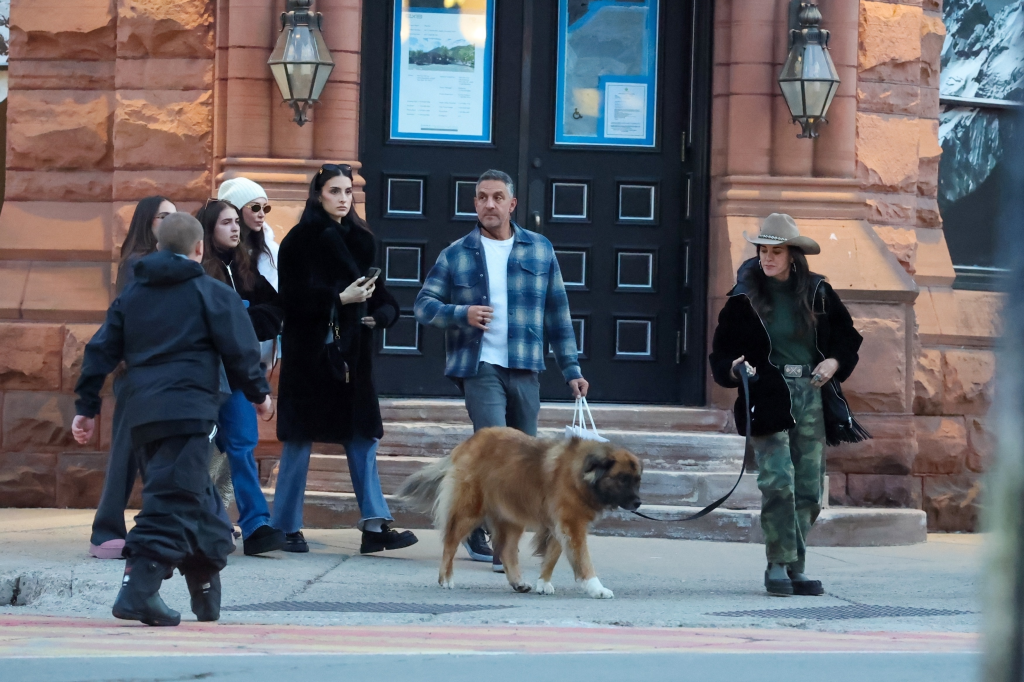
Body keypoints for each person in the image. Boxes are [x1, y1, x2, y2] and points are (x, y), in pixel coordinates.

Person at [71, 213, 273, 626]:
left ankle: (204, 588)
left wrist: (86, 406)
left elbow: (100, 351)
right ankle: (137, 593)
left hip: (143, 416)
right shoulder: (212, 293)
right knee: (172, 503)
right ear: (199, 249)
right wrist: (259, 393)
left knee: (198, 500)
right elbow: (240, 348)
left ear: (159, 247)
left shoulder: (132, 296)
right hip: (189, 413)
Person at [414, 169, 590, 572]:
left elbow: (558, 314)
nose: (488, 204)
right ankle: (499, 548)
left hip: (526, 365)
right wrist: (462, 313)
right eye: (481, 198)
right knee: (496, 449)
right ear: (474, 204)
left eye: (497, 198)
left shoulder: (540, 249)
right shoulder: (457, 253)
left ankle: (478, 525)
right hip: (479, 366)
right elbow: (424, 306)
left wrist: (571, 369)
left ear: (512, 204)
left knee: (524, 457)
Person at [708, 213, 863, 597]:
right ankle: (777, 563)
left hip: (811, 391)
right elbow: (721, 350)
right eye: (763, 251)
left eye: (775, 251)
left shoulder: (817, 291)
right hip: (767, 392)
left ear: (792, 254)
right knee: (778, 481)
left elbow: (848, 338)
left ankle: (797, 566)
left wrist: (834, 363)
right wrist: (732, 367)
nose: (767, 258)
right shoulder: (742, 297)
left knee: (809, 488)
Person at [273, 163, 418, 555]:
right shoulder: (299, 240)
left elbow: (382, 294)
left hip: (353, 358)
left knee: (363, 437)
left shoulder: (362, 239)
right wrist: (338, 299)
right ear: (318, 194)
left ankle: (374, 525)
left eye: (347, 191)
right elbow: (290, 301)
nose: (342, 198)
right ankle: (284, 527)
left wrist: (382, 313)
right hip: (311, 356)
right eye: (334, 191)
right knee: (299, 441)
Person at [196, 200, 287, 556]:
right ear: (209, 229)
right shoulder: (200, 270)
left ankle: (256, 525)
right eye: (226, 223)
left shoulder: (245, 265)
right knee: (197, 453)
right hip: (203, 378)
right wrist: (240, 319)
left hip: (236, 378)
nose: (236, 229)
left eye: (237, 222)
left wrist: (242, 319)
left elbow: (276, 309)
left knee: (243, 446)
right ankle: (207, 521)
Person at [89, 195, 177, 560]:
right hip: (138, 372)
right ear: (148, 222)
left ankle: (171, 526)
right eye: (164, 217)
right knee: (128, 452)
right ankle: (105, 531)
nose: (171, 223)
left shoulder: (165, 262)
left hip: (159, 373)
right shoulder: (140, 263)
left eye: (176, 217)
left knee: (160, 453)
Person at [218, 177, 281, 367]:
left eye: (265, 208)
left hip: (263, 343)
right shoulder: (219, 254)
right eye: (255, 207)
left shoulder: (270, 248)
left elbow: (275, 297)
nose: (261, 214)